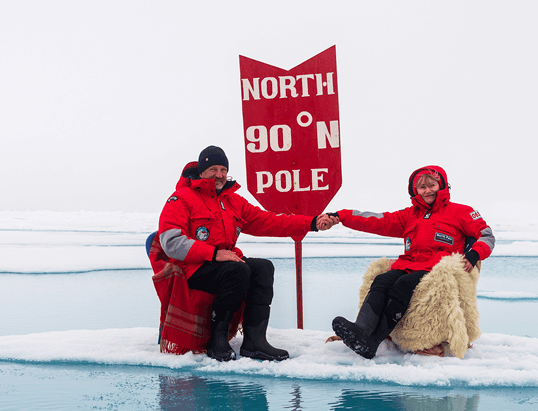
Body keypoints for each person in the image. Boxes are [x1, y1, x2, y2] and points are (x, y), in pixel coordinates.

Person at [158, 145, 337, 362]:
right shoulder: (181, 199)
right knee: (237, 270)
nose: (219, 174)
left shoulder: (232, 201)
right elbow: (171, 242)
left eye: (223, 169)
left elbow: (272, 221)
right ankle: (218, 342)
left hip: (224, 265)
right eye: (213, 169)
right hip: (193, 268)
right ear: (202, 171)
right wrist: (214, 253)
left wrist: (311, 223)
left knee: (263, 267)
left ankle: (254, 342)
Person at [330, 165, 494, 359]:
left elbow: (486, 235)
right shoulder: (409, 214)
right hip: (410, 263)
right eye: (421, 187)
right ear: (414, 191)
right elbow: (376, 220)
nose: (427, 191)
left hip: (437, 268)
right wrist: (341, 216)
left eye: (431, 185)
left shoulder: (461, 212)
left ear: (441, 185)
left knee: (402, 285)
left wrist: (475, 253)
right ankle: (361, 331)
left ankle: (374, 340)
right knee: (381, 280)